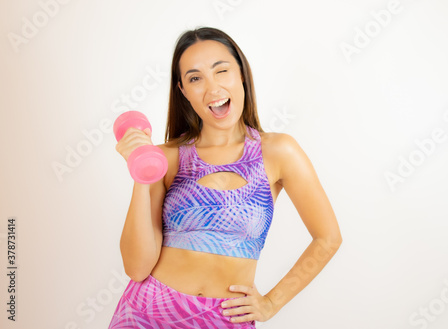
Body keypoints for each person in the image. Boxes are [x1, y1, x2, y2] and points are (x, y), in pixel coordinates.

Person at [109, 27, 342, 328]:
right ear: (183, 91)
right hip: (147, 314)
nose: (212, 88)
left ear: (241, 73)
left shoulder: (278, 151)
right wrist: (141, 170)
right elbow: (137, 268)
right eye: (195, 78)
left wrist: (271, 302)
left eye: (221, 71)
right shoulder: (166, 158)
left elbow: (328, 238)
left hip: (225, 320)